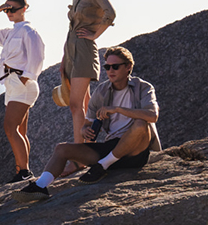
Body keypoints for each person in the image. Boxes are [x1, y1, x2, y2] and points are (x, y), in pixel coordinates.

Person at [20, 46, 160, 199]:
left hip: (135, 151)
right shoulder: (102, 91)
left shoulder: (143, 87)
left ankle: (102, 166)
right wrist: (85, 130)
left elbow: (152, 115)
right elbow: (87, 123)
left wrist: (117, 109)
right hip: (111, 147)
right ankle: (40, 186)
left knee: (141, 123)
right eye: (107, 67)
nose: (110, 70)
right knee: (62, 149)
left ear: (128, 67)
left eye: (115, 66)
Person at [0, 0, 45, 182]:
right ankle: (22, 170)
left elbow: (37, 57)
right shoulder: (10, 32)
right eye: (7, 9)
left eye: (13, 9)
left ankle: (24, 172)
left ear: (25, 8)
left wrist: (25, 79)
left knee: (10, 127)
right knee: (20, 131)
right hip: (11, 84)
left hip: (22, 84)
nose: (9, 12)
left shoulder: (29, 31)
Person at [61, 0, 116, 169]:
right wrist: (64, 58)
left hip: (84, 50)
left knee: (76, 104)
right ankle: (87, 151)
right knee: (84, 105)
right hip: (71, 51)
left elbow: (110, 13)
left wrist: (94, 35)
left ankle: (78, 159)